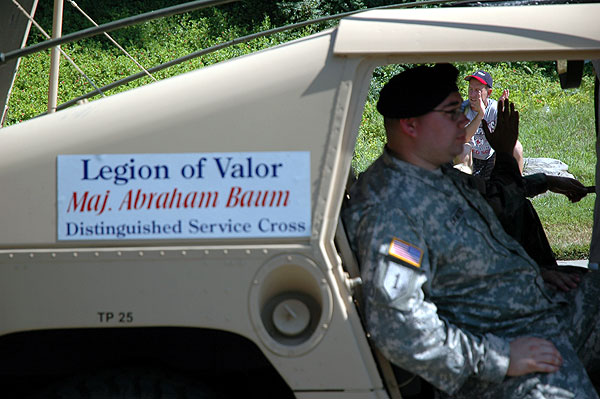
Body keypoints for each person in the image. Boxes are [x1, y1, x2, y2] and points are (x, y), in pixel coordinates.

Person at [342, 63, 600, 398]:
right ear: (410, 125)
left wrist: (532, 271)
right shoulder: (392, 207)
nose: (464, 120)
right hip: (507, 345)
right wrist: (500, 359)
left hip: (536, 309)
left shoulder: (435, 175)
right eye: (451, 112)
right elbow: (399, 326)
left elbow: (494, 203)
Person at [460, 70, 524, 178]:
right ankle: (466, 190)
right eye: (470, 89)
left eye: (477, 90)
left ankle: (518, 186)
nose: (472, 95)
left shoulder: (494, 108)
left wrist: (502, 114)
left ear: (489, 93)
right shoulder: (462, 109)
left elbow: (508, 137)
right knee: (463, 148)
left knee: (516, 147)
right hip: (471, 159)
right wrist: (480, 114)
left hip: (490, 158)